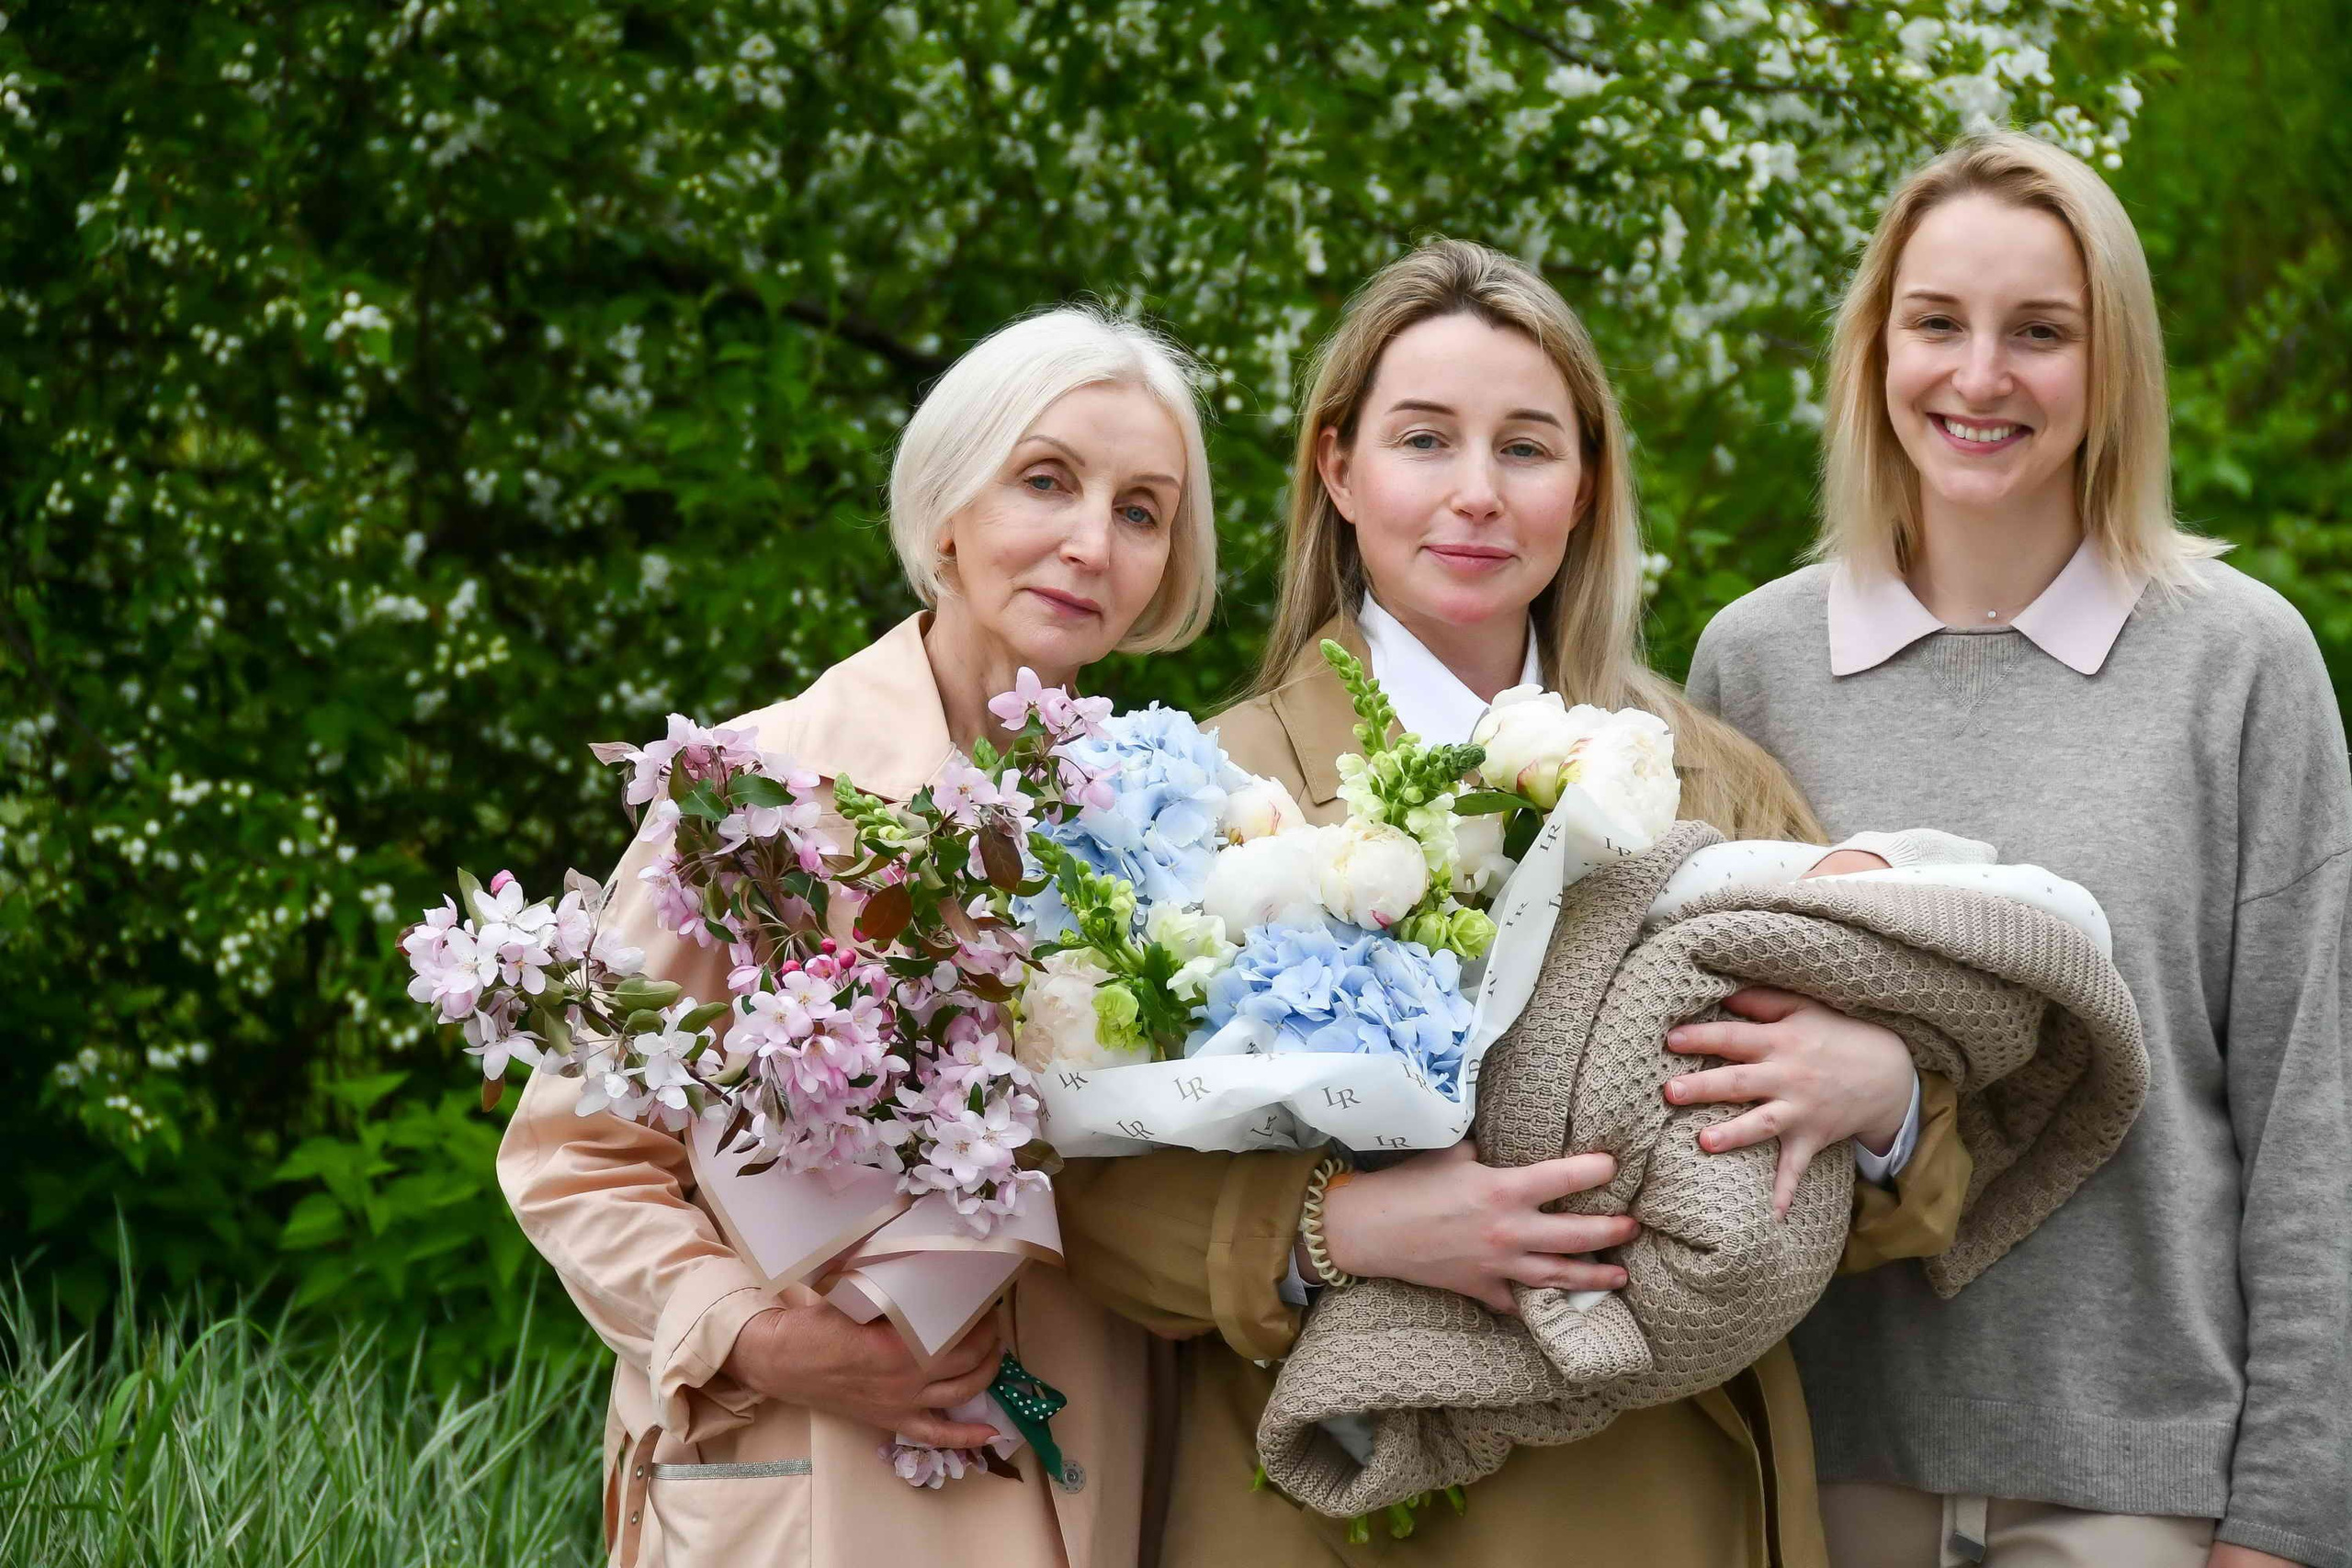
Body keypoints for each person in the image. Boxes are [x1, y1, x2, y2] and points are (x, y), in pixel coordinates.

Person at [1056, 238, 1973, 1567]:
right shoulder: (1196, 789)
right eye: (1425, 441)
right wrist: (1332, 1226)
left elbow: (1917, 1187)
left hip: (1663, 1494)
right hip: (1334, 1511)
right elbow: (1073, 1202)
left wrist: (1876, 1097)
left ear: (1586, 485)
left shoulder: (1708, 777)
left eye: (1529, 448)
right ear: (1338, 467)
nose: (1477, 495)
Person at [1690, 130, 2350, 1568]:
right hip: (1816, 1469)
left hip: (2140, 1486)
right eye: (1937, 323)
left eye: (2039, 333)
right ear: (1875, 352)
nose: (1979, 378)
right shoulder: (1753, 664)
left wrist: (2288, 1523)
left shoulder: (2241, 666)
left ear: (2109, 366)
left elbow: (2315, 1120)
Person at [497, 304, 1221, 1568]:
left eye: (1143, 509)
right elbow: (577, 1157)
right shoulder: (755, 793)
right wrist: (763, 1338)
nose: (1091, 542)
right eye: (1046, 481)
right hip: (811, 1479)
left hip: (1094, 1471)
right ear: (946, 509)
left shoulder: (1176, 832)